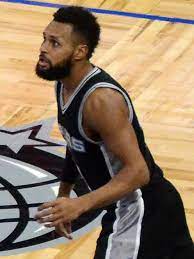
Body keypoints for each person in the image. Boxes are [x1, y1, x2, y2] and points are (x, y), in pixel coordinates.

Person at [34, 6, 194, 259]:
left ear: (79, 52)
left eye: (54, 43)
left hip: (140, 209)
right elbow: (74, 142)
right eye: (44, 38)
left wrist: (80, 204)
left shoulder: (101, 101)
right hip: (135, 208)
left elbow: (138, 171)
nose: (43, 47)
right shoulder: (64, 84)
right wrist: (63, 196)